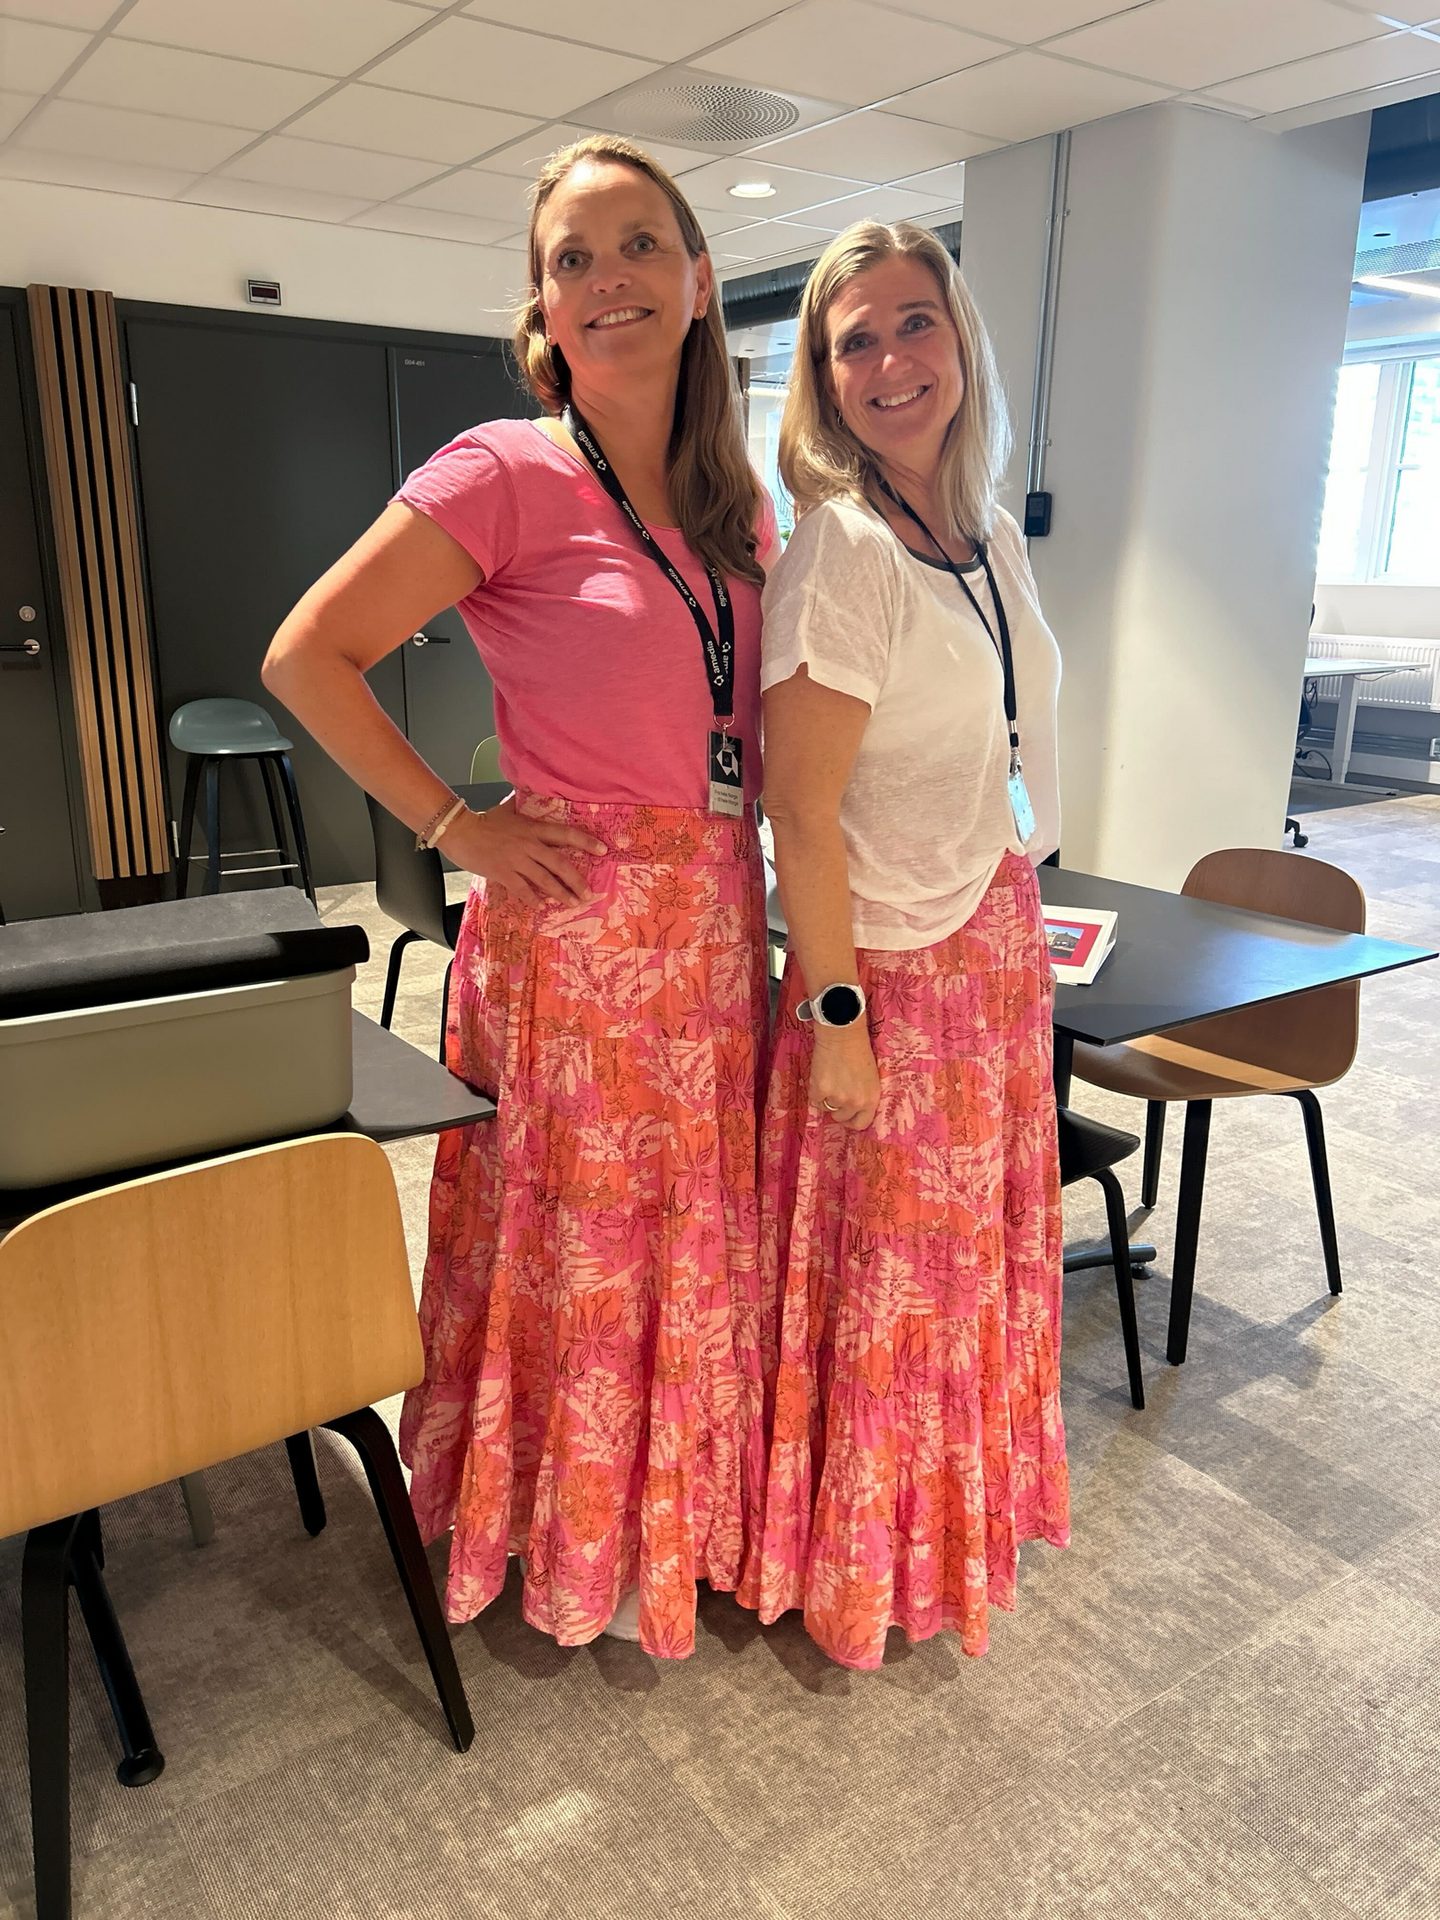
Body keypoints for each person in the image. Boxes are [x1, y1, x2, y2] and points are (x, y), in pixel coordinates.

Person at [263, 136, 777, 1658]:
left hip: (714, 932)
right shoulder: (505, 470)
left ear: (696, 279)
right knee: (582, 1250)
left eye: (636, 246)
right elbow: (308, 656)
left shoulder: (732, 502)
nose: (606, 279)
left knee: (693, 1245)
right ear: (542, 310)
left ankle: (677, 1524)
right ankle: (557, 1533)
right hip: (577, 936)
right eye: (571, 259)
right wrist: (447, 822)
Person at [746, 221, 1067, 1671]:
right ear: (821, 376)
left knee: (966, 1280)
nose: (889, 362)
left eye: (913, 324)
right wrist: (837, 1019)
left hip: (992, 937)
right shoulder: (846, 549)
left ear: (961, 337)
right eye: (852, 339)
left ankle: (948, 1528)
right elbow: (799, 818)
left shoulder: (986, 537)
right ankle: (857, 1566)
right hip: (888, 969)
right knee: (888, 1289)